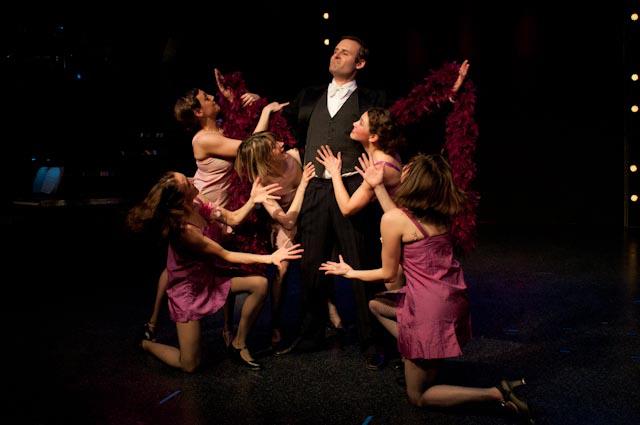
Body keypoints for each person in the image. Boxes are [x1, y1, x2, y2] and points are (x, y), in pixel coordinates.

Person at [319, 155, 532, 422]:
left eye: (408, 169)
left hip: (429, 310)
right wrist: (379, 187)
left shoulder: (395, 220)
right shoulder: (440, 213)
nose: (403, 169)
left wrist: (350, 272)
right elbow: (403, 221)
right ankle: (416, 349)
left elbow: (388, 272)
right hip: (451, 298)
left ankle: (496, 393)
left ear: (415, 182)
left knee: (418, 396)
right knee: (377, 305)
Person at [143, 77, 287, 345]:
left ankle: (227, 328)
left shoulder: (220, 128)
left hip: (220, 207)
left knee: (218, 267)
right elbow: (247, 147)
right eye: (207, 98)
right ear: (198, 112)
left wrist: (249, 102)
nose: (212, 98)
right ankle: (153, 320)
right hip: (201, 206)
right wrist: (266, 113)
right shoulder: (204, 138)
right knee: (181, 268)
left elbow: (240, 127)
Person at [278, 35, 387, 357]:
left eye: (345, 53)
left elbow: (406, 117)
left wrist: (446, 95)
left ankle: (371, 339)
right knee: (311, 263)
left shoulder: (372, 98)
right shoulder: (310, 95)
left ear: (360, 63)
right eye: (335, 51)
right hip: (315, 187)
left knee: (359, 260)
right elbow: (282, 121)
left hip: (351, 186)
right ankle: (312, 333)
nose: (336, 55)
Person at [128, 172, 303, 372]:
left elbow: (232, 218)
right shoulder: (185, 231)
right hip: (189, 291)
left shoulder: (196, 202)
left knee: (260, 284)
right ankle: (146, 344)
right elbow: (226, 255)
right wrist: (270, 258)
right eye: (187, 183)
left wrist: (253, 200)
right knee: (189, 364)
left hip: (208, 277)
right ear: (181, 200)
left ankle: (239, 343)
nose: (192, 180)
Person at [234, 131, 315, 347]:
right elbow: (287, 221)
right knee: (282, 268)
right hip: (287, 220)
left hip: (310, 212)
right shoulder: (262, 184)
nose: (281, 143)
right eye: (274, 145)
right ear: (265, 157)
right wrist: (303, 184)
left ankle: (328, 309)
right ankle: (275, 322)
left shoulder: (294, 156)